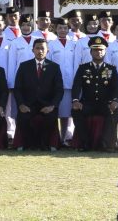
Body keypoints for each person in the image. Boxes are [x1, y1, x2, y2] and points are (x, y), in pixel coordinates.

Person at [72, 37, 118, 152]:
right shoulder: (83, 68)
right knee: (75, 111)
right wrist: (75, 101)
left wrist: (115, 100)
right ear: (90, 52)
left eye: (101, 50)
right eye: (95, 50)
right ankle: (85, 143)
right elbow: (76, 86)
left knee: (116, 111)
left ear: (105, 52)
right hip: (87, 103)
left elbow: (117, 87)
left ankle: (105, 142)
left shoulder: (111, 69)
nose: (98, 52)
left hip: (105, 104)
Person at [13, 39, 64, 152]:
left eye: (43, 48)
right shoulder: (24, 66)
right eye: (37, 48)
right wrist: (21, 104)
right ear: (33, 50)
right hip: (28, 105)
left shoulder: (54, 67)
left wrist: (52, 106)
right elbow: (17, 89)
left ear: (48, 51)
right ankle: (29, 144)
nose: (40, 51)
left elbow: (59, 90)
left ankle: (44, 144)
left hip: (47, 105)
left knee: (50, 118)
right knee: (23, 118)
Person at [47, 18, 77, 147]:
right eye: (60, 28)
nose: (63, 30)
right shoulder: (51, 44)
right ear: (55, 29)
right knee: (55, 113)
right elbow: (48, 64)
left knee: (66, 114)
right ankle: (55, 138)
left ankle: (65, 138)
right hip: (55, 84)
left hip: (70, 83)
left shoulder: (74, 44)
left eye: (65, 28)